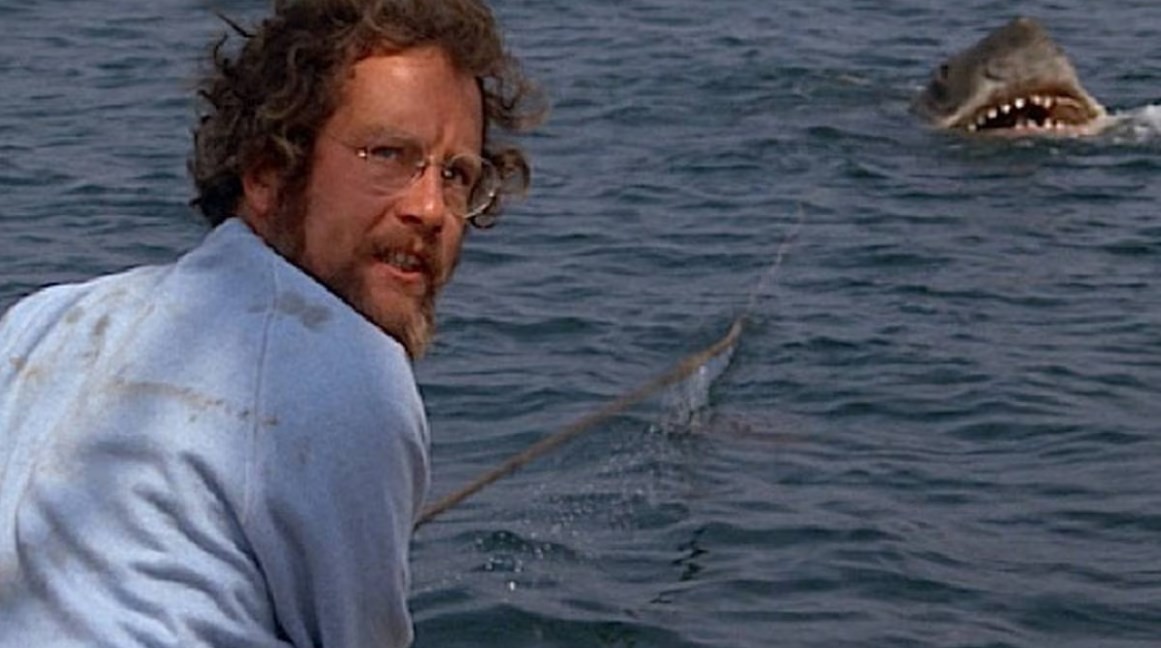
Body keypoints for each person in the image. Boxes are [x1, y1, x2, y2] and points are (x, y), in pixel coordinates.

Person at [0, 0, 545, 645]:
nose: (431, 209)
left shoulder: (43, 318)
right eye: (387, 154)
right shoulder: (348, 368)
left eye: (456, 174)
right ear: (268, 171)